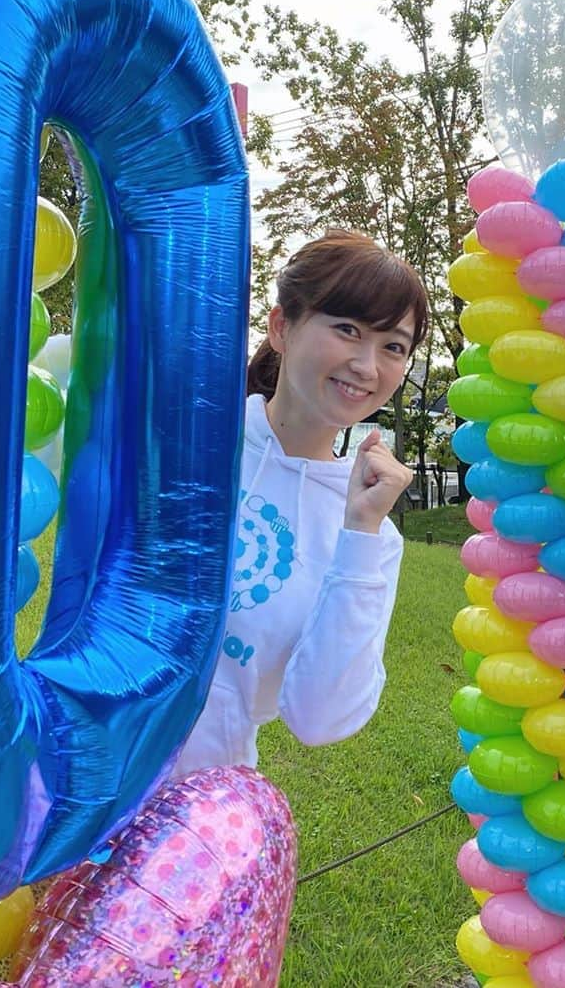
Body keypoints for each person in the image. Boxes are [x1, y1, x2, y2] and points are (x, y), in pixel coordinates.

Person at [174, 230, 429, 774]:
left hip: (199, 812)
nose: (366, 365)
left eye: (393, 346)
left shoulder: (371, 533)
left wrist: (359, 532)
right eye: (346, 329)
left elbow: (318, 719)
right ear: (281, 327)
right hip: (74, 764)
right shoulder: (187, 437)